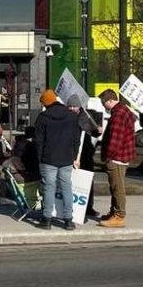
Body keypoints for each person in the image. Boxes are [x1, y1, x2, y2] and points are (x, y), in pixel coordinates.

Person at [33, 89, 80, 230]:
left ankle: (46, 219)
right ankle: (68, 220)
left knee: (49, 188)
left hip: (48, 158)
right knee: (66, 187)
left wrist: (40, 158)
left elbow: (38, 141)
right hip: (66, 158)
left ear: (46, 103)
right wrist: (74, 156)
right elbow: (76, 140)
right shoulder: (72, 116)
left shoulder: (43, 117)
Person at [99, 89, 137, 228]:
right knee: (115, 186)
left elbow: (116, 139)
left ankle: (119, 215)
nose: (103, 106)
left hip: (117, 158)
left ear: (110, 100)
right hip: (123, 155)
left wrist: (108, 157)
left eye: (104, 103)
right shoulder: (123, 110)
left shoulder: (118, 114)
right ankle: (114, 211)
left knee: (117, 187)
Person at [67, 95, 102, 218]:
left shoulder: (86, 116)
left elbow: (94, 132)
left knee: (87, 180)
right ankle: (73, 207)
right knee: (72, 182)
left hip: (85, 154)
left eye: (74, 106)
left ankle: (88, 207)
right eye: (70, 106)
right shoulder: (67, 116)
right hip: (72, 155)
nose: (71, 108)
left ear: (79, 106)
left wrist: (98, 131)